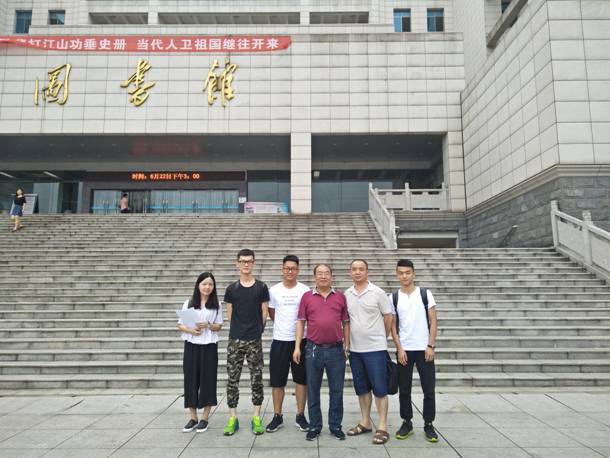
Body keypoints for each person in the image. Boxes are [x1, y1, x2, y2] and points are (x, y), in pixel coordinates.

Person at [293, 264, 350, 441]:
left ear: (331, 276)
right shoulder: (307, 297)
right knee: (313, 389)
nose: (323, 276)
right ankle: (315, 426)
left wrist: (347, 345)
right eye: (320, 273)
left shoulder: (340, 296)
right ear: (314, 277)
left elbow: (346, 322)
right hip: (313, 349)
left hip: (336, 350)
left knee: (337, 390)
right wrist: (297, 347)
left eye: (326, 273)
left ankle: (335, 426)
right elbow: (301, 322)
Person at [389, 259, 439, 442]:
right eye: (401, 273)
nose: (404, 276)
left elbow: (433, 320)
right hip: (405, 350)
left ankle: (428, 424)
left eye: (407, 272)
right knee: (404, 389)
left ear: (413, 273)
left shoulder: (425, 294)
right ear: (397, 275)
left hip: (424, 349)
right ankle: (407, 422)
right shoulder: (393, 297)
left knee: (428, 389)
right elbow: (393, 326)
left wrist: (430, 345)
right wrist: (399, 348)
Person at [345, 259, 393, 445]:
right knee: (362, 388)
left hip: (375, 349)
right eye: (354, 269)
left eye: (361, 269)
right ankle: (365, 422)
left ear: (367, 271)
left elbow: (388, 317)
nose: (357, 272)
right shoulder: (347, 294)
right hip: (355, 350)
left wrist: (382, 337)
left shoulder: (378, 292)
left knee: (380, 389)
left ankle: (382, 426)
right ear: (350, 272)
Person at [223, 248, 269, 436]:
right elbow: (230, 314)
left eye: (249, 261)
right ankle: (232, 417)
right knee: (232, 380)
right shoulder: (231, 289)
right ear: (237, 263)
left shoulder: (261, 287)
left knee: (256, 379)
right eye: (243, 261)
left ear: (254, 263)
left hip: (254, 340)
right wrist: (239, 330)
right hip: (235, 340)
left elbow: (264, 313)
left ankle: (256, 417)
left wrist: (256, 331)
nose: (246, 264)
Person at [266, 255, 310, 433]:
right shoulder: (274, 290)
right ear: (282, 269)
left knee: (301, 380)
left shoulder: (305, 290)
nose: (290, 271)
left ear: (298, 270)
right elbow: (272, 313)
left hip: (301, 341)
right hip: (280, 341)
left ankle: (300, 415)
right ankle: (277, 416)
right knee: (277, 381)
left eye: (293, 268)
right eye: (287, 268)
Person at [178, 272, 223, 433]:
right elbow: (181, 324)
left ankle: (204, 418)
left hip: (209, 346)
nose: (207, 287)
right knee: (190, 380)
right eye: (204, 284)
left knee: (208, 380)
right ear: (198, 285)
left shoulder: (216, 304)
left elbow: (219, 326)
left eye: (210, 284)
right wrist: (191, 330)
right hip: (191, 345)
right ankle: (193, 417)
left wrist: (208, 325)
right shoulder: (189, 303)